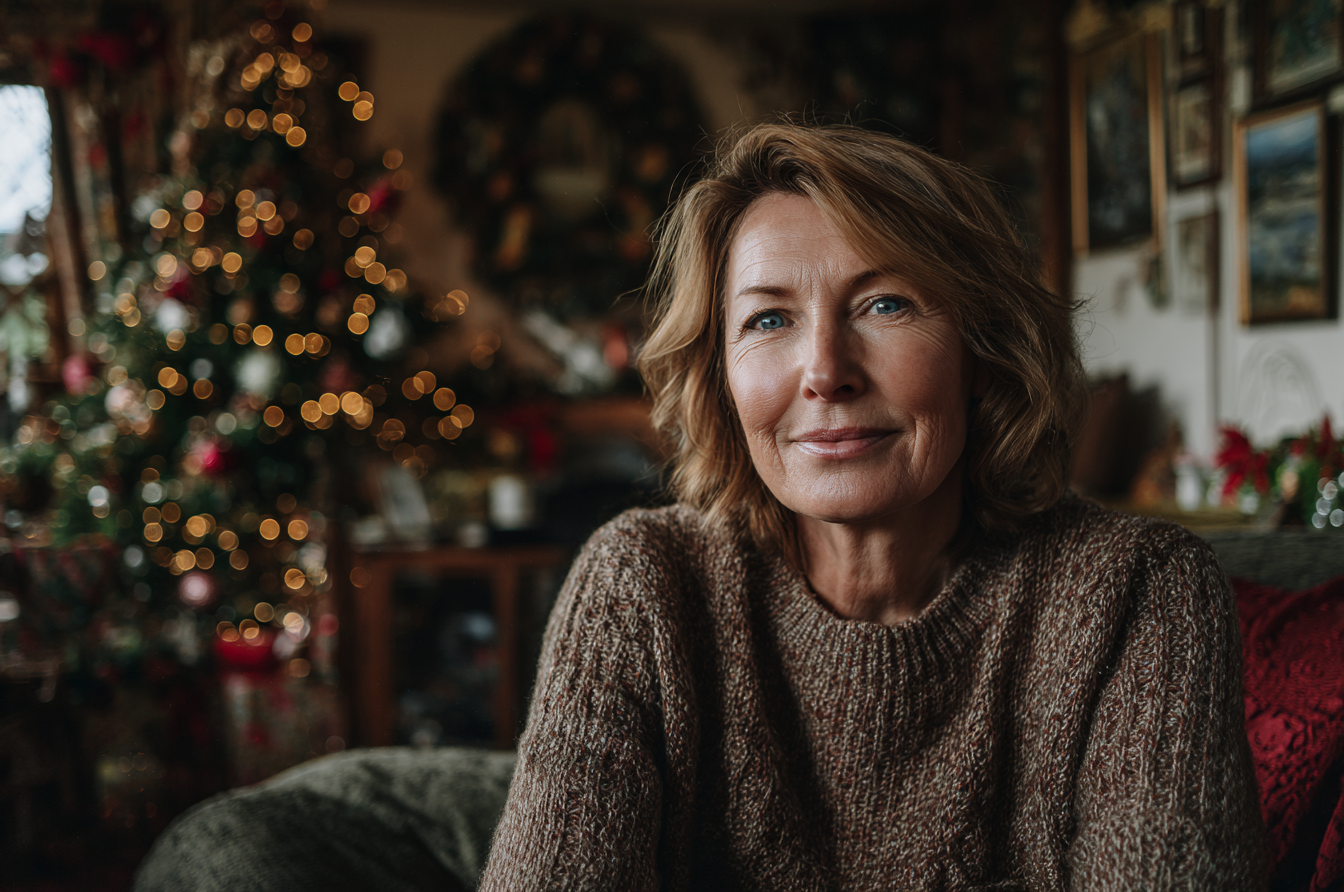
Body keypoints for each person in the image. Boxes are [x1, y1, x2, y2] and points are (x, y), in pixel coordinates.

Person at [476, 124, 1268, 890]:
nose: (825, 371)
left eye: (884, 304)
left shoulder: (1137, 594)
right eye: (769, 319)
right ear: (720, 378)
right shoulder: (641, 586)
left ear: (984, 348)